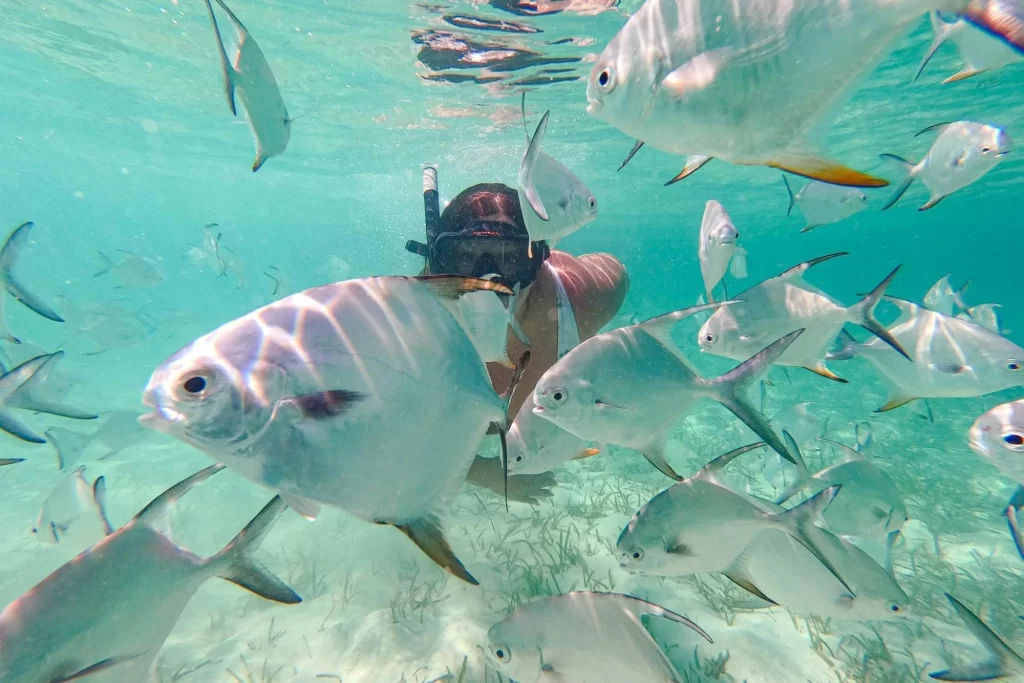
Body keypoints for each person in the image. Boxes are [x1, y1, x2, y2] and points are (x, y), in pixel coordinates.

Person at [406, 171, 629, 504]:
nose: (486, 282)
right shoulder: (411, 329)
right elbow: (401, 436)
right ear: (436, 266)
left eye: (509, 259)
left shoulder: (578, 297)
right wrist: (485, 474)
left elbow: (616, 272)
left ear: (536, 264)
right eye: (463, 257)